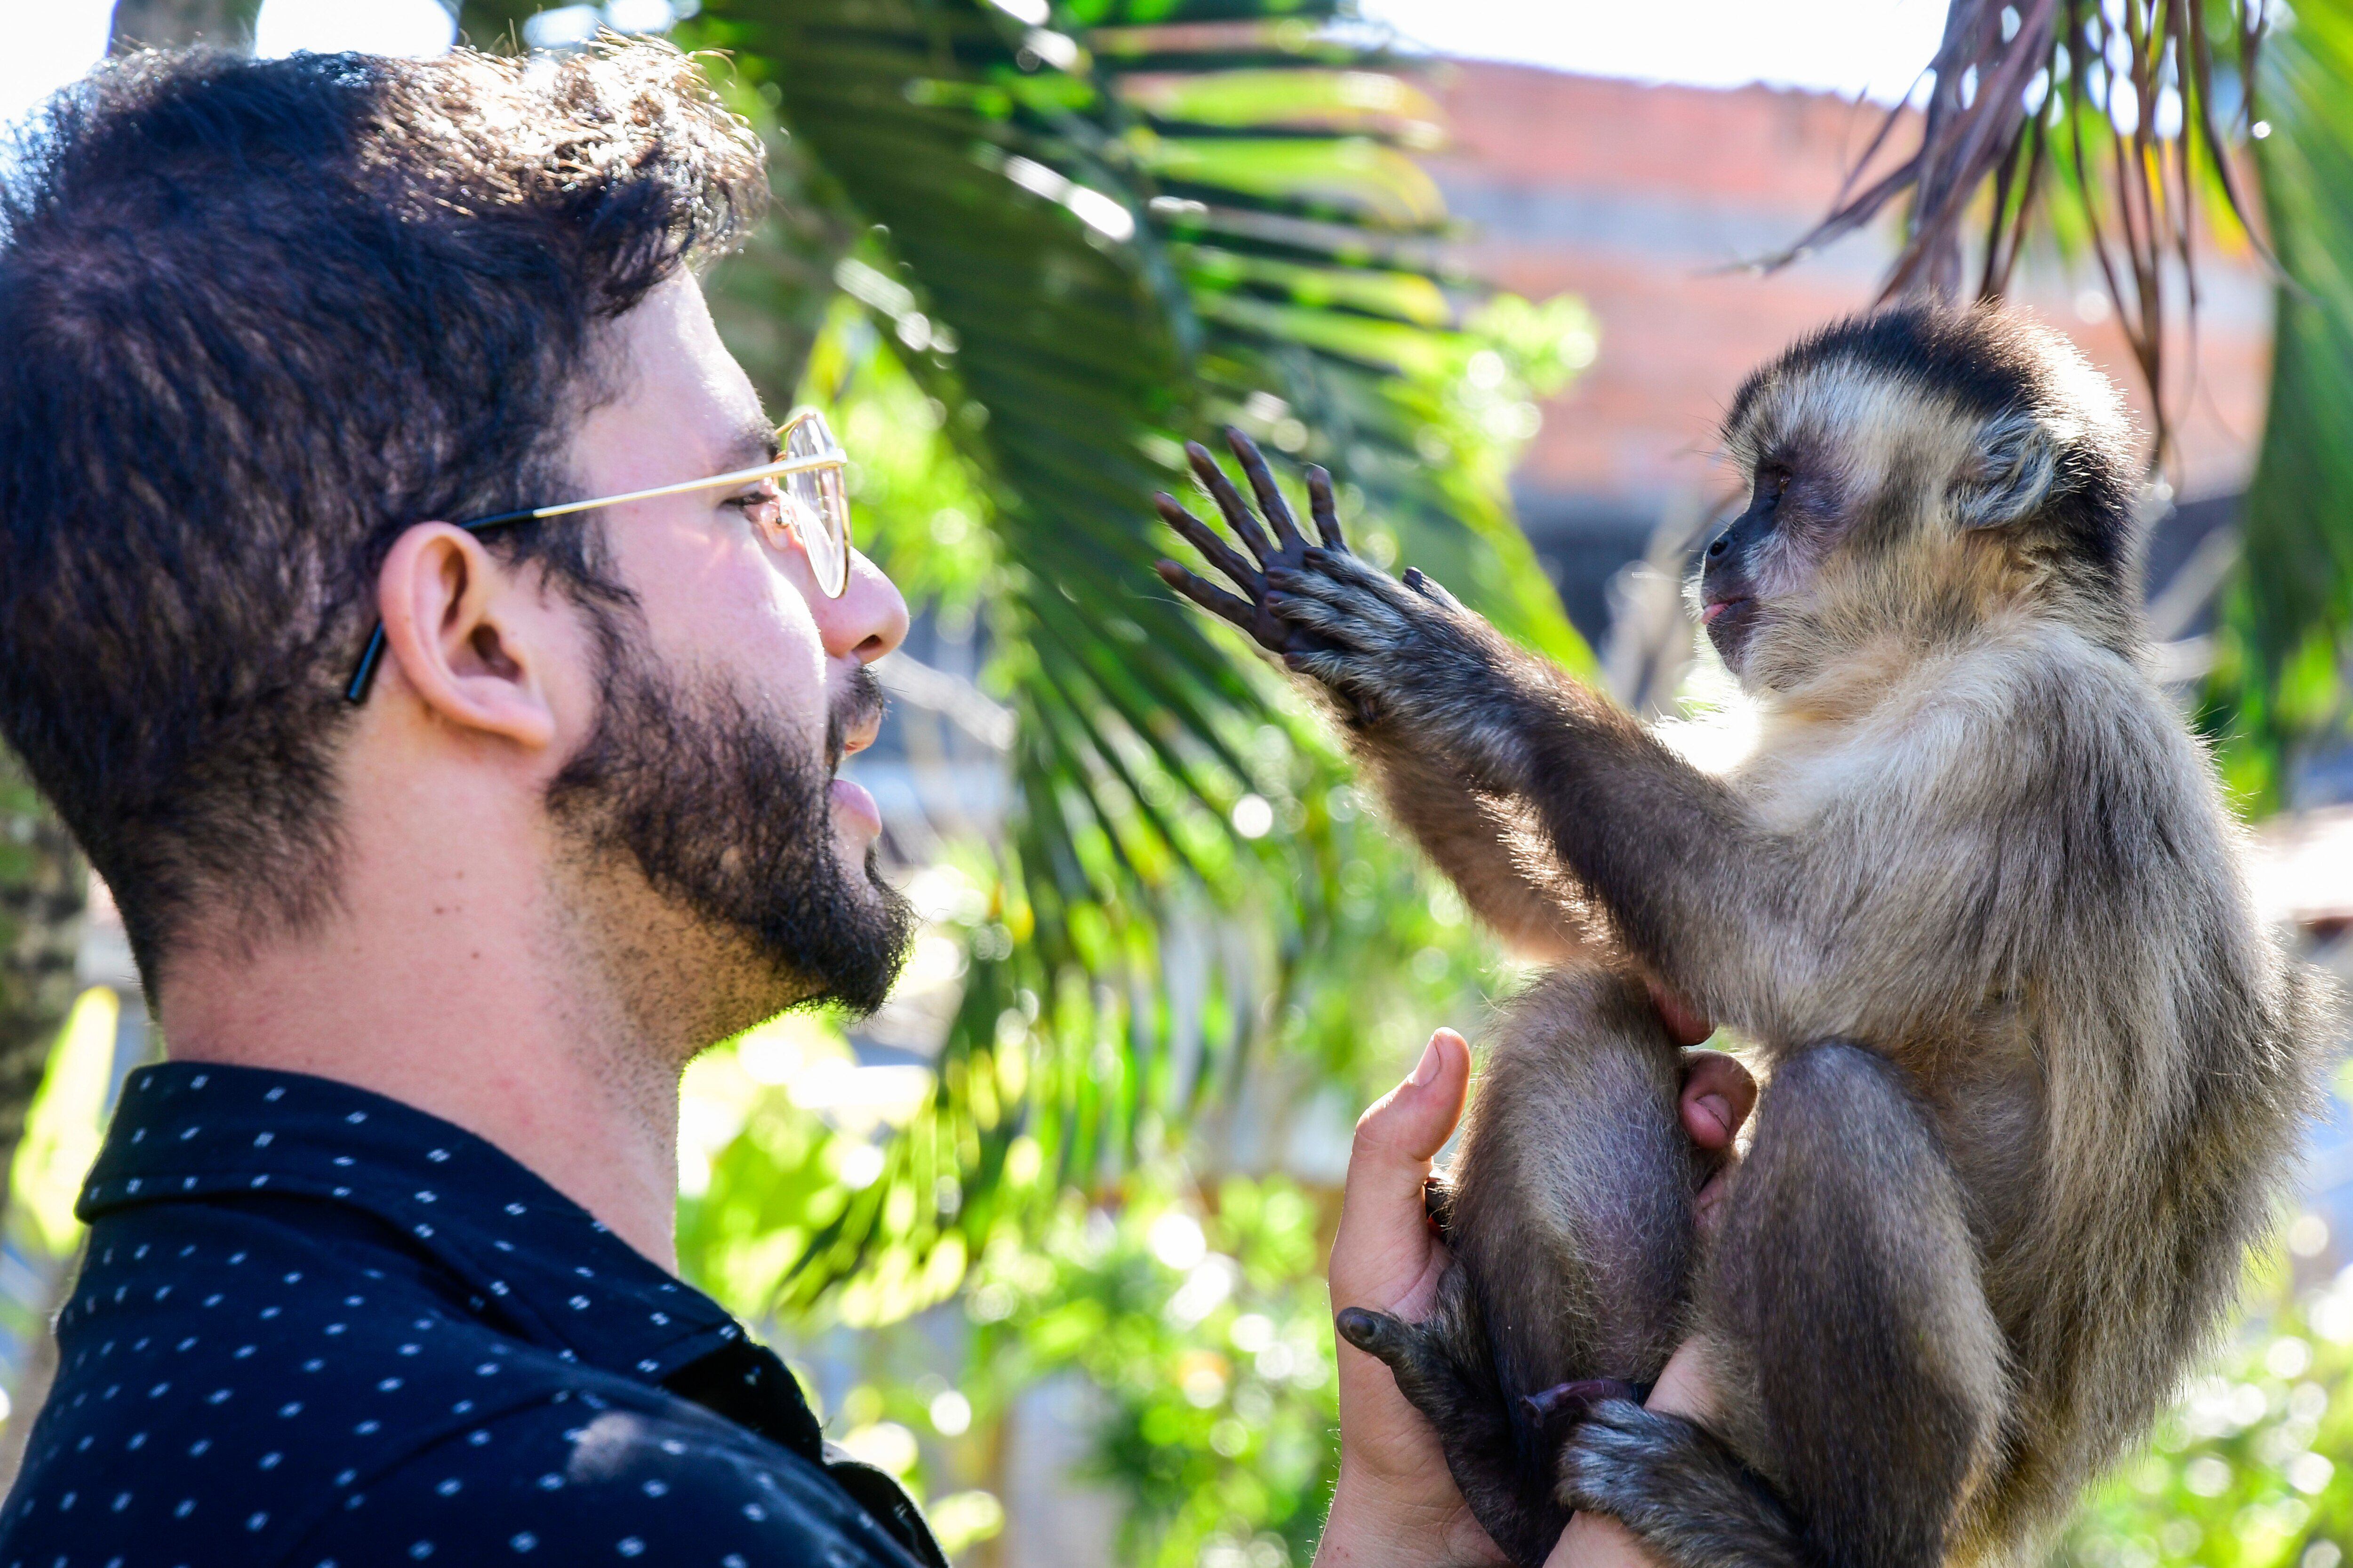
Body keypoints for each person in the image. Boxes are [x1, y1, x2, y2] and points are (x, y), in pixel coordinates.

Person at [0, 38, 1746, 1568]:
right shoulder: (583, 1510)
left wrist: (1416, 1522)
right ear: (478, 634)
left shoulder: (202, 1390)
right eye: (758, 494)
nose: (870, 604)